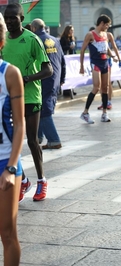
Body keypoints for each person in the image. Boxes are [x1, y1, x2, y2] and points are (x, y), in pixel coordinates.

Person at [3, 3, 53, 202]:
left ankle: (42, 180)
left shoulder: (32, 39)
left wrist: (26, 79)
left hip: (31, 96)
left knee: (32, 140)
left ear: (22, 19)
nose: (9, 21)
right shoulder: (3, 40)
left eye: (13, 18)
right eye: (6, 18)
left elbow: (48, 70)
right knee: (9, 142)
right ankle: (23, 180)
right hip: (8, 98)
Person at [0, 15, 25, 266]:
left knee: (7, 233)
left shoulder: (9, 73)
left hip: (4, 161)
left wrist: (10, 167)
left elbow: (19, 125)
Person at [30, 19, 66, 150]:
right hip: (55, 80)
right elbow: (62, 60)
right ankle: (38, 136)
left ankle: (54, 140)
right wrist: (62, 79)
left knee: (44, 111)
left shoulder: (34, 40)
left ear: (33, 28)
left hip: (43, 79)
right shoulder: (55, 40)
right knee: (40, 109)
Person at [79, 14, 117, 124]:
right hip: (95, 64)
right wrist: (81, 66)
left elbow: (106, 48)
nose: (108, 27)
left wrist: (113, 56)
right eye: (107, 25)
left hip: (105, 63)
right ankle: (85, 113)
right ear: (101, 23)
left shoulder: (106, 34)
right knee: (96, 87)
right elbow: (82, 50)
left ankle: (104, 113)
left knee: (105, 88)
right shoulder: (90, 35)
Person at [97, 31, 121, 110]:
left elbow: (114, 46)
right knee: (100, 83)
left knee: (107, 82)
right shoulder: (95, 34)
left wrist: (119, 58)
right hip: (98, 61)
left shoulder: (108, 34)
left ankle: (109, 101)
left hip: (107, 60)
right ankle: (103, 101)